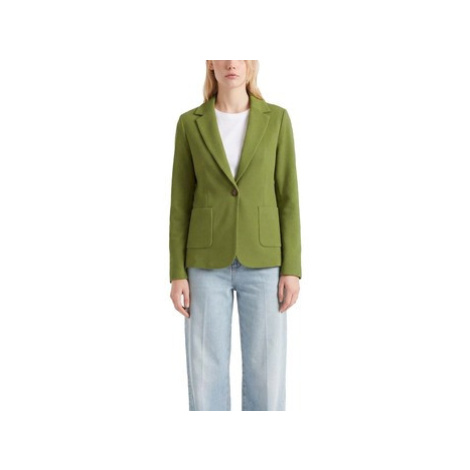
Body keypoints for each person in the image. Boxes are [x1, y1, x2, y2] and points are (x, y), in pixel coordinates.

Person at [169, 60, 301, 411]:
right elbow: (180, 202)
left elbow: (288, 197)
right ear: (211, 64)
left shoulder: (277, 119)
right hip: (204, 262)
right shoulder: (190, 123)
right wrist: (177, 272)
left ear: (251, 64)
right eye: (223, 54)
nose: (231, 63)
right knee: (205, 373)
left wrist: (292, 268)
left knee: (267, 373)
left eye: (240, 54)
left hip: (264, 259)